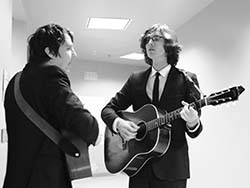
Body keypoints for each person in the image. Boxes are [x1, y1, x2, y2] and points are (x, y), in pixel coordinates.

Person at [101, 23, 203, 188]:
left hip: (172, 169)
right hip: (139, 166)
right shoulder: (136, 79)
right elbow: (108, 110)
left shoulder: (186, 80)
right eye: (147, 39)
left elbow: (195, 130)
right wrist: (119, 124)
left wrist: (193, 122)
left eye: (156, 39)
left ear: (170, 45)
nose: (150, 43)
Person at [3, 23, 100, 188]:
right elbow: (83, 122)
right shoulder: (51, 76)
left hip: (17, 178)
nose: (74, 54)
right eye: (69, 49)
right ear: (49, 52)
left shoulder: (16, 81)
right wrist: (96, 133)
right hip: (46, 178)